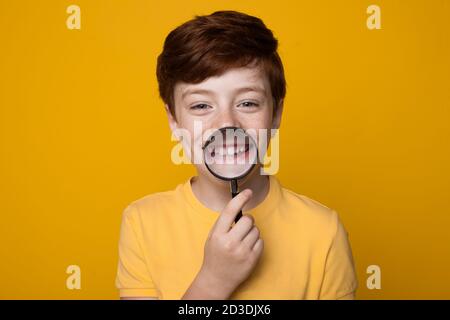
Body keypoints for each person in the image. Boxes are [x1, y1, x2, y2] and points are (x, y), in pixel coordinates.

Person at [115, 10, 358, 300]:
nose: (227, 123)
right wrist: (213, 281)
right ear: (174, 120)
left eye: (247, 102)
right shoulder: (143, 223)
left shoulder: (323, 232)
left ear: (276, 113)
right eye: (201, 106)